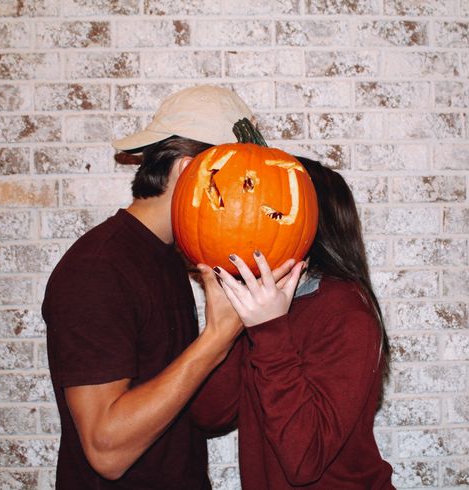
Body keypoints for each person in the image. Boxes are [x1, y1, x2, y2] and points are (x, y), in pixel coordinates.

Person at [42, 85, 299, 489]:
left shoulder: (169, 256)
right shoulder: (97, 270)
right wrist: (217, 337)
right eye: (242, 179)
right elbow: (106, 451)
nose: (252, 200)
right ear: (187, 171)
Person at [191, 157, 395, 489]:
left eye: (274, 209)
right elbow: (210, 415)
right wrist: (224, 329)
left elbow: (304, 461)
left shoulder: (346, 314)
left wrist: (269, 331)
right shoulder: (263, 304)